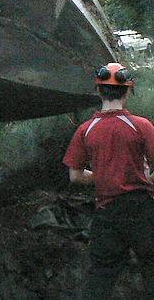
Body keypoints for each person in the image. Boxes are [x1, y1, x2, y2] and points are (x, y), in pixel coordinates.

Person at [62, 62, 154, 298]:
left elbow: (75, 176)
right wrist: (145, 178)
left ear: (98, 91)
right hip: (143, 211)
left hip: (107, 214)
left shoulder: (85, 130)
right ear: (127, 91)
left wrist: (105, 175)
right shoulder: (141, 126)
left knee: (100, 279)